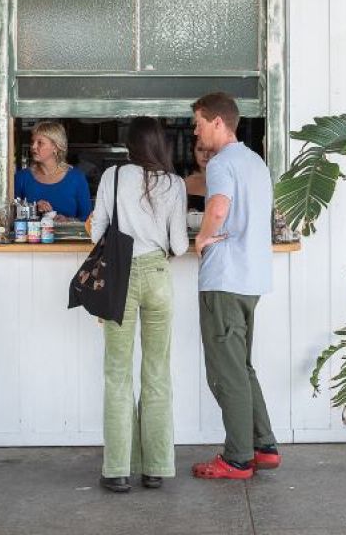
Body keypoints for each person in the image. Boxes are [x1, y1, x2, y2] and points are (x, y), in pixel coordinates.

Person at [91, 117, 189, 494]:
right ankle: (156, 468)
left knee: (117, 374)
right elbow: (179, 245)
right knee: (157, 372)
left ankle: (117, 470)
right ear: (160, 145)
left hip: (118, 277)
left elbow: (99, 231)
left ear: (129, 145)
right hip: (158, 279)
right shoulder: (174, 184)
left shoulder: (113, 177)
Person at [189, 91, 280, 480]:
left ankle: (238, 458)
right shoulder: (255, 162)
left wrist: (202, 238)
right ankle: (264, 445)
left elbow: (219, 207)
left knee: (226, 372)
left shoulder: (222, 162)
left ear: (217, 123)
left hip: (225, 279)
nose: (196, 131)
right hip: (252, 278)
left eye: (198, 123)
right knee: (241, 366)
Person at [14, 120, 92, 221]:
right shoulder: (22, 178)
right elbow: (11, 217)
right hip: (32, 236)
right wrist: (32, 209)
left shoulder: (76, 178)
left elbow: (88, 219)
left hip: (69, 236)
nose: (33, 147)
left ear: (55, 147)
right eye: (32, 142)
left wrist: (68, 221)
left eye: (40, 143)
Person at [184, 139, 213, 213]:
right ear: (193, 151)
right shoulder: (184, 184)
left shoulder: (228, 182)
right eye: (200, 149)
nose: (205, 155)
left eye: (211, 150)